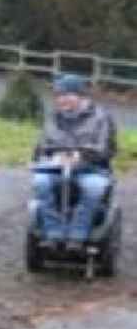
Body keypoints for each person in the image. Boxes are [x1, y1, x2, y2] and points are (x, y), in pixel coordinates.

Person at [32, 74, 117, 251]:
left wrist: (81, 155)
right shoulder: (52, 117)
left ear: (81, 96)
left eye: (67, 95)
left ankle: (78, 235)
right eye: (59, 95)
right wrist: (46, 156)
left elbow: (106, 148)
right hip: (56, 167)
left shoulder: (101, 118)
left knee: (93, 188)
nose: (62, 99)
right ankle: (53, 233)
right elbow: (42, 145)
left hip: (91, 168)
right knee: (40, 182)